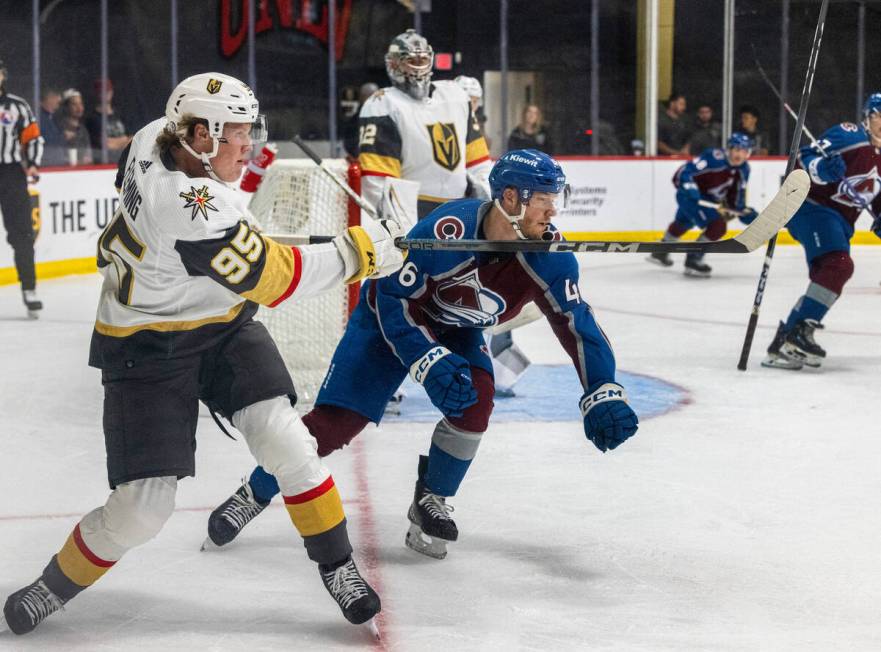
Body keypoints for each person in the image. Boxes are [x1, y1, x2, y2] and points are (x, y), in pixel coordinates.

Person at [1, 72, 405, 636]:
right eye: (238, 133)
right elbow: (277, 281)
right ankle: (54, 584)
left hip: (220, 329)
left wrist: (215, 244)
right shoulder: (191, 206)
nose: (250, 143)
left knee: (290, 442)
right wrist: (362, 251)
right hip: (145, 346)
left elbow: (194, 218)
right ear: (199, 135)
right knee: (143, 509)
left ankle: (337, 566)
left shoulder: (150, 138)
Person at [202, 149, 639, 560]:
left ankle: (431, 500)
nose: (553, 211)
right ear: (510, 198)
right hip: (387, 317)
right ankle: (254, 491)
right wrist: (425, 359)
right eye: (544, 200)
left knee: (475, 401)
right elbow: (393, 297)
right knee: (335, 426)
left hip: (457, 329)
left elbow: (576, 322)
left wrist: (602, 388)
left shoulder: (550, 257)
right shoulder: (447, 229)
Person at [763, 93, 881, 370]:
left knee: (828, 275)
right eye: (880, 116)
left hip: (840, 221)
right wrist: (821, 170)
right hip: (809, 206)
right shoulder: (850, 135)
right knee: (838, 265)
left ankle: (783, 344)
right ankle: (799, 334)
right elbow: (803, 158)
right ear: (868, 117)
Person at [358, 29, 492, 221]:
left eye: (423, 61)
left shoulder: (456, 95)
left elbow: (478, 163)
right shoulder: (382, 105)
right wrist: (391, 223)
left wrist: (487, 206)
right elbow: (378, 180)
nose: (418, 68)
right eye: (412, 61)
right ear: (394, 64)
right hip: (412, 210)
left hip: (461, 206)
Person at [647, 132, 758, 278]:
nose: (740, 154)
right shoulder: (714, 158)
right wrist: (689, 186)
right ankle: (693, 259)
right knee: (717, 226)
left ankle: (661, 251)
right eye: (737, 149)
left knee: (683, 222)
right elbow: (684, 171)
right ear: (730, 149)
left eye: (744, 151)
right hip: (690, 196)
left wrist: (741, 210)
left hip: (708, 201)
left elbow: (735, 196)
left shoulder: (744, 169)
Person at [0, 59, 44, 317]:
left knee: (23, 235)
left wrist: (33, 165)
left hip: (11, 174)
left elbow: (33, 137)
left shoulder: (17, 106)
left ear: (3, 75)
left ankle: (29, 288)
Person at [85, 77, 132, 163]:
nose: (106, 93)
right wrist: (123, 140)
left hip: (123, 163)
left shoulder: (119, 115)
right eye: (102, 91)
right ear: (96, 93)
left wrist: (114, 142)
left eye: (108, 90)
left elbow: (132, 140)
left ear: (112, 91)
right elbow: (106, 144)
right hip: (104, 165)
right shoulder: (92, 119)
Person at [55, 88, 93, 165]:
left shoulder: (83, 129)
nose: (79, 108)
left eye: (80, 104)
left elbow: (89, 156)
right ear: (66, 107)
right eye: (74, 104)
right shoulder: (58, 128)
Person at [342, 81, 379, 158]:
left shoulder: (386, 116)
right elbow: (350, 143)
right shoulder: (356, 120)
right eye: (368, 96)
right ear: (362, 97)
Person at [38, 88, 65, 166]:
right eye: (55, 97)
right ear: (49, 99)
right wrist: (63, 136)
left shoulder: (53, 117)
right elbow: (45, 139)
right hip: (47, 163)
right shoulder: (39, 118)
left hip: (56, 162)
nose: (58, 101)